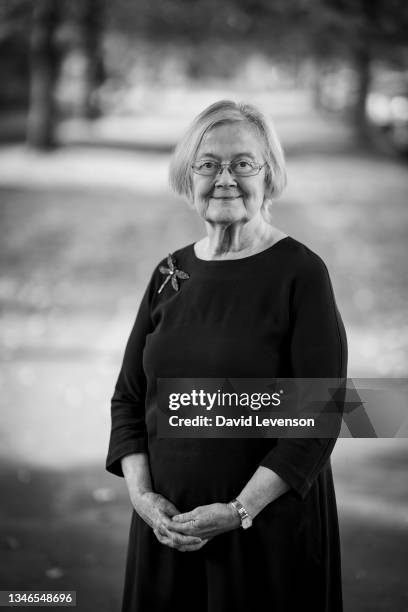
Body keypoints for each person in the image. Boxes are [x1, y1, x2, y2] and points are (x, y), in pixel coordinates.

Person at [106, 99, 347, 612]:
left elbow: (320, 416)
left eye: (243, 163)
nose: (225, 178)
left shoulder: (300, 274)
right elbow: (128, 399)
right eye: (208, 163)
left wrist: (239, 510)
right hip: (167, 533)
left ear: (270, 175)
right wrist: (145, 501)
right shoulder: (170, 272)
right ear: (187, 176)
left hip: (267, 534)